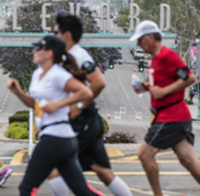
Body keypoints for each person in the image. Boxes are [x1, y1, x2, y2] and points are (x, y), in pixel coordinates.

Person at [46, 14, 133, 196]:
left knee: (54, 170)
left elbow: (98, 82)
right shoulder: (68, 55)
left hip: (81, 122)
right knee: (103, 172)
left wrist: (79, 106)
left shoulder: (77, 55)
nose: (53, 35)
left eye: (55, 32)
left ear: (67, 35)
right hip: (88, 122)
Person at [7, 35, 99, 196]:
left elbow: (85, 92)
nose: (33, 51)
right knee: (82, 191)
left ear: (49, 53)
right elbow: (35, 105)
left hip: (55, 137)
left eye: (38, 48)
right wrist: (18, 92)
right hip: (63, 140)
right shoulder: (37, 74)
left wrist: (59, 104)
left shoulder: (58, 74)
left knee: (26, 188)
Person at [130, 20, 200, 196]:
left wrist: (164, 91)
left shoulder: (167, 56)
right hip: (172, 115)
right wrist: (144, 88)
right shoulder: (154, 60)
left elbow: (190, 78)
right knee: (188, 160)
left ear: (151, 37)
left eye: (140, 40)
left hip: (171, 116)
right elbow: (160, 86)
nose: (138, 44)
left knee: (144, 155)